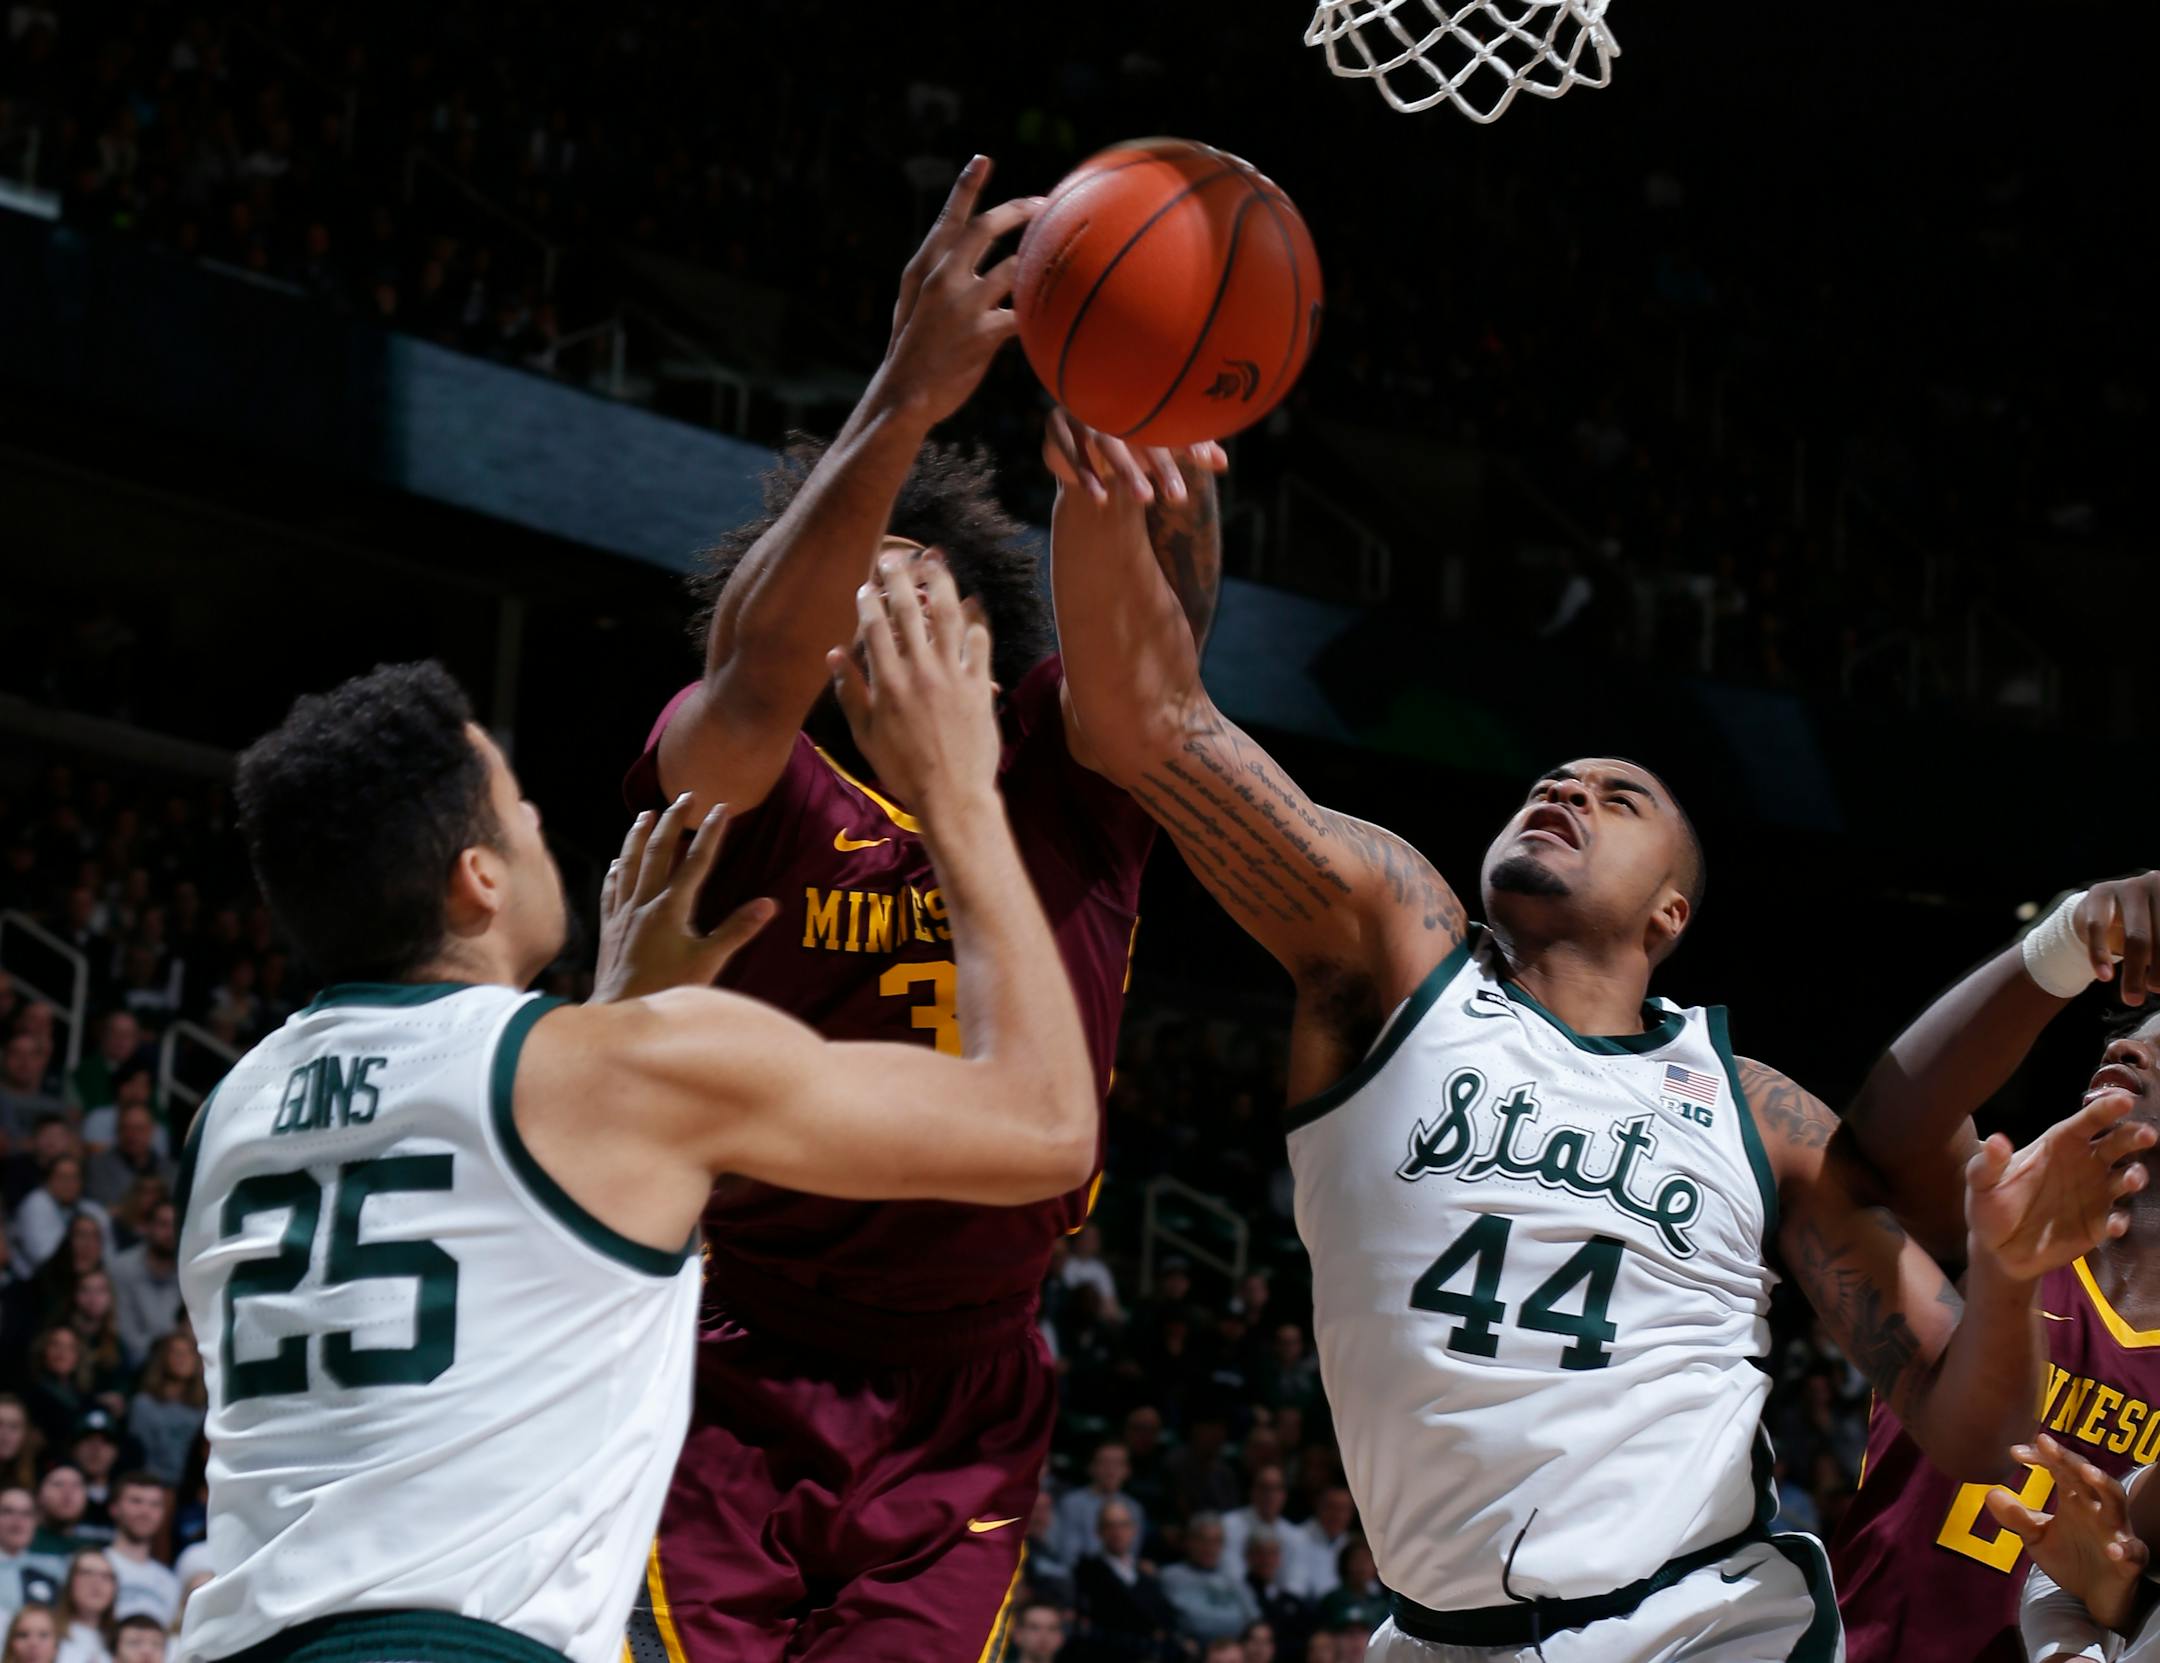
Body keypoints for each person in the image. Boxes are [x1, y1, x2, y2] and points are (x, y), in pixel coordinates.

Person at [1047, 409, 2155, 1659]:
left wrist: (2006, 1276)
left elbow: (1969, 1430)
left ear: (1670, 911)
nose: (1564, 789)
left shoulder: (1759, 1111)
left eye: (1616, 796)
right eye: (1548, 781)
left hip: (1704, 1619)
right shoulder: (1391, 948)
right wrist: (1107, 504)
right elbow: (1141, 724)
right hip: (1434, 1629)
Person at [176, 635, 1098, 1663]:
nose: (539, 823)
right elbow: (1046, 1128)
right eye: (520, 809)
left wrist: (621, 1010)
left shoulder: (229, 1110)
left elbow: (484, 1270)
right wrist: (959, 791)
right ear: (479, 877)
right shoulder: (610, 1076)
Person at [623, 156, 1228, 1663]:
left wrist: (1122, 453)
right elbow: (754, 663)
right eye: (850, 594)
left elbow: (1153, 658)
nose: (873, 614)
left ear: (983, 628)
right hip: (738, 1355)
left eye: (915, 591)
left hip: (964, 1388)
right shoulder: (753, 788)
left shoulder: (1068, 776)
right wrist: (898, 400)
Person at [1831, 895, 2160, 1663]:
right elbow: (1894, 1125)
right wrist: (2067, 938)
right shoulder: (1986, 1219)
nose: (2134, 1049)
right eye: (2132, 1035)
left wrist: (2124, 1593)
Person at [1072, 1500, 1177, 1662]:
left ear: (1134, 1530)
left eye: (1123, 1525)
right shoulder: (1088, 1571)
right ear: (1099, 1532)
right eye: (1110, 1526)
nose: (1117, 1532)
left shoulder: (1145, 1574)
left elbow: (1166, 1615)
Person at [1160, 1514, 1261, 1645]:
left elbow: (1255, 1621)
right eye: (1203, 1540)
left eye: (1216, 1541)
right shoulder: (1170, 1577)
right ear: (1189, 1541)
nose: (1210, 1548)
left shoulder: (1233, 1579)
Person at [104, 1207, 177, 1373]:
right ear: (147, 1227)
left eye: (175, 1225)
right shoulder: (121, 1267)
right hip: (135, 1364)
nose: (170, 1232)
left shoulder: (189, 1270)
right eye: (163, 1224)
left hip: (182, 1362)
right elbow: (123, 1329)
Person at [121, 1340, 201, 1493]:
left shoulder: (204, 1407)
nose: (182, 1359)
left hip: (191, 1489)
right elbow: (139, 1453)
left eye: (189, 1353)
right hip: (151, 1485)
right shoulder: (142, 1404)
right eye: (176, 1353)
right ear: (163, 1358)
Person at [1054, 1445, 1146, 1572]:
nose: (1111, 1470)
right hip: (1083, 1575)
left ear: (1127, 1470)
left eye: (1118, 1464)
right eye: (1105, 1463)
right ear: (1091, 1468)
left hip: (1122, 1575)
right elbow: (1068, 1554)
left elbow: (1132, 1553)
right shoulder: (1071, 1503)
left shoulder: (1134, 1508)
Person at [98, 1481, 173, 1630]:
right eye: (136, 1501)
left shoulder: (170, 1580)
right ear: (114, 1508)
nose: (145, 1511)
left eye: (155, 1504)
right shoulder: (94, 1566)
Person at [83, 1109, 169, 1215]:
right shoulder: (97, 1166)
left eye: (139, 1129)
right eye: (127, 1128)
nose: (133, 1135)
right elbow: (96, 1209)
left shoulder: (171, 1170)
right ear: (118, 1131)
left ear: (151, 1131)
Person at [1243, 1532, 1315, 1658]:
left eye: (1272, 1554)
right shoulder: (1240, 1593)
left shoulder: (1290, 1600)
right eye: (1260, 1553)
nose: (1267, 1560)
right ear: (1249, 1557)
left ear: (1279, 1558)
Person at [1, 1489, 65, 1616]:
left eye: (27, 1513)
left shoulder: (54, 1567)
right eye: (8, 1511)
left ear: (36, 1521)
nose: (18, 1521)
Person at [52, 1551, 115, 1663]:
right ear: (70, 1582)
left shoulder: (122, 1638)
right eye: (87, 1573)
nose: (97, 1583)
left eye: (105, 1576)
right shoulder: (47, 1632)